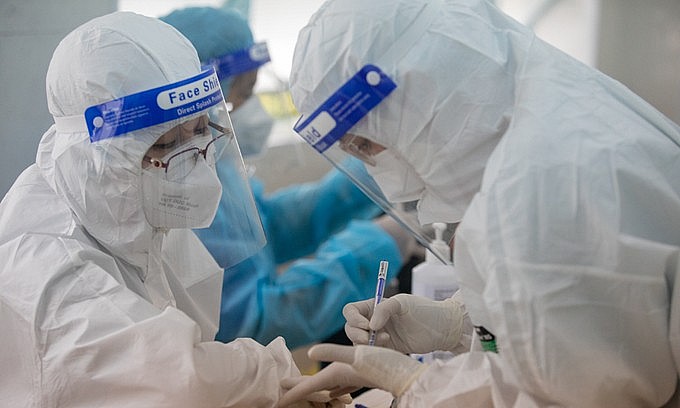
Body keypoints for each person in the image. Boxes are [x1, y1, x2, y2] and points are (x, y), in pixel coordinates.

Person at [278, 0, 680, 406]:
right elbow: (583, 334)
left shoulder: (529, 195)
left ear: (419, 91)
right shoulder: (550, 109)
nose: (372, 164)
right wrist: (460, 322)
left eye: (364, 142)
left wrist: (419, 386)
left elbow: (573, 398)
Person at [0, 11, 350, 407]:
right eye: (168, 143)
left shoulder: (133, 212)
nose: (191, 160)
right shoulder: (48, 263)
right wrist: (275, 376)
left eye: (200, 129)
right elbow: (179, 381)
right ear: (102, 155)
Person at [161, 6, 415, 349]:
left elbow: (265, 228)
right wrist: (376, 246)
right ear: (202, 95)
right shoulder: (177, 190)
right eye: (244, 95)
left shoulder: (212, 162)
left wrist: (372, 171)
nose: (255, 111)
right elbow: (249, 323)